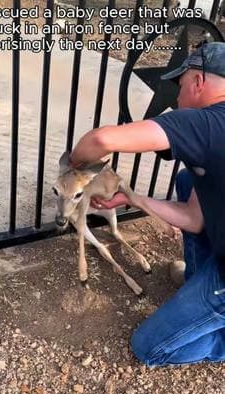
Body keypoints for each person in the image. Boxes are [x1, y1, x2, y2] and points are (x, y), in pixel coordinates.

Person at [70, 42, 225, 366]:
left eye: (179, 87)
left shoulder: (208, 122)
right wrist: (132, 198)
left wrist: (75, 165)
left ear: (198, 82)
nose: (176, 99)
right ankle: (200, 286)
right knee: (187, 180)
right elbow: (195, 220)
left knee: (148, 347)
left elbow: (100, 141)